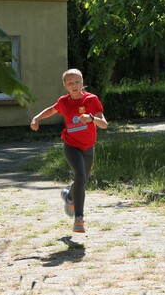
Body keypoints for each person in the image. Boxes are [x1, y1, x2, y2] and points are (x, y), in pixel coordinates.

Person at [30, 69, 108, 233]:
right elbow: (52, 109)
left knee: (83, 179)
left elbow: (104, 124)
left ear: (82, 82)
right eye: (70, 83)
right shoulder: (64, 102)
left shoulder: (91, 100)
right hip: (71, 145)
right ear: (65, 86)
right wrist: (37, 118)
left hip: (88, 147)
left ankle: (69, 197)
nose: (74, 85)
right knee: (80, 176)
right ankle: (79, 219)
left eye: (77, 82)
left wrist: (91, 118)